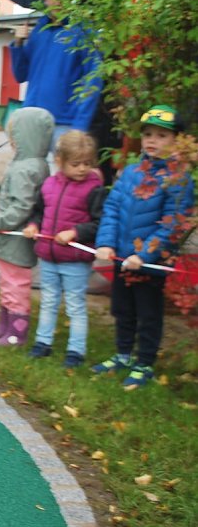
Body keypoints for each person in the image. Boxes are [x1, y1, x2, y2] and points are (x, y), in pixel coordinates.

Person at [92, 105, 195, 389]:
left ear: (177, 140)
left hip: (149, 263)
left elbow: (173, 224)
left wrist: (144, 254)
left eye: (162, 135)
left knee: (148, 314)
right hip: (121, 257)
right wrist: (105, 243)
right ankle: (124, 354)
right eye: (148, 134)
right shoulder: (131, 172)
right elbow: (112, 209)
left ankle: (144, 363)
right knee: (122, 309)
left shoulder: (178, 178)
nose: (152, 140)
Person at [22, 131, 106, 367]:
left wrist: (76, 232)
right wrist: (32, 225)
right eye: (76, 163)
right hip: (49, 256)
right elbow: (39, 211)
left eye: (87, 164)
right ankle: (42, 343)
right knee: (48, 300)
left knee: (75, 304)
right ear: (59, 161)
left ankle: (76, 351)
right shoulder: (49, 184)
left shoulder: (94, 189)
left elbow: (99, 223)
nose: (82, 169)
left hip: (75, 260)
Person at [0, 107, 53, 346]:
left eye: (14, 135)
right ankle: (4, 325)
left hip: (16, 239)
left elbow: (20, 208)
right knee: (7, 283)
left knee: (15, 285)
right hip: (11, 238)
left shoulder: (27, 168)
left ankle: (16, 333)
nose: (11, 141)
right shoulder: (33, 164)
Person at [10, 0, 102, 159]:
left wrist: (80, 126)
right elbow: (21, 75)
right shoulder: (38, 30)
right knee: (29, 178)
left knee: (63, 184)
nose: (56, 2)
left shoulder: (83, 31)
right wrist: (18, 45)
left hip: (65, 124)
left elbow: (93, 80)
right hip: (32, 119)